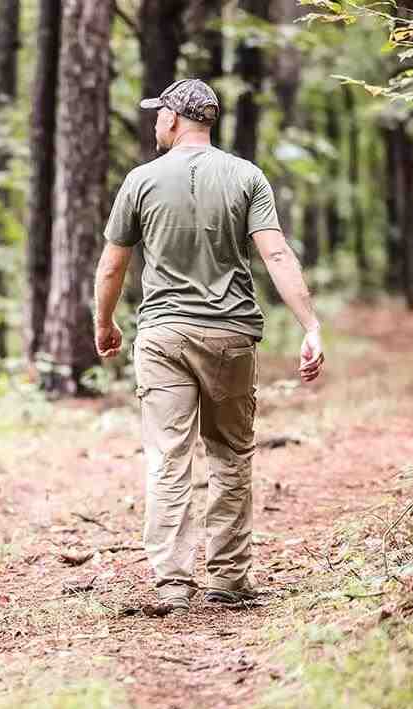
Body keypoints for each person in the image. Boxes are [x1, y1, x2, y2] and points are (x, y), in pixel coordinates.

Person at [92, 79, 324, 613]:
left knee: (167, 458)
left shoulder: (141, 181)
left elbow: (112, 264)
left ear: (173, 119)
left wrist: (104, 322)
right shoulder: (247, 176)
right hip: (230, 335)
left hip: (164, 336)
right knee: (230, 454)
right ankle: (228, 579)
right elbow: (278, 256)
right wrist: (310, 325)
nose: (154, 123)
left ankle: (172, 581)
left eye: (158, 114)